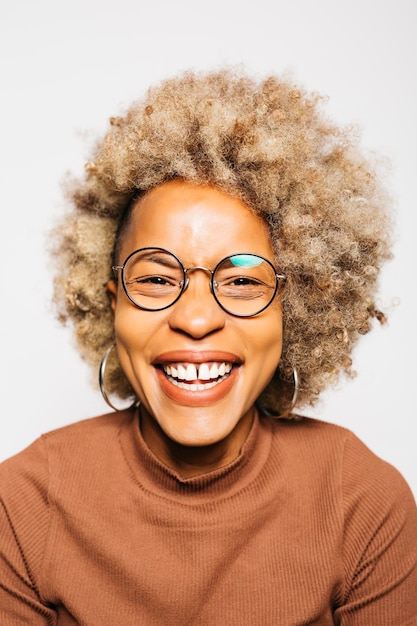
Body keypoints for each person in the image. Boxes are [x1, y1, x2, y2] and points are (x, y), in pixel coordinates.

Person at [0, 68, 416, 625]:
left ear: (296, 307)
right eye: (155, 279)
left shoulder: (362, 504)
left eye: (243, 280)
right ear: (111, 304)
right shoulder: (23, 504)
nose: (196, 318)